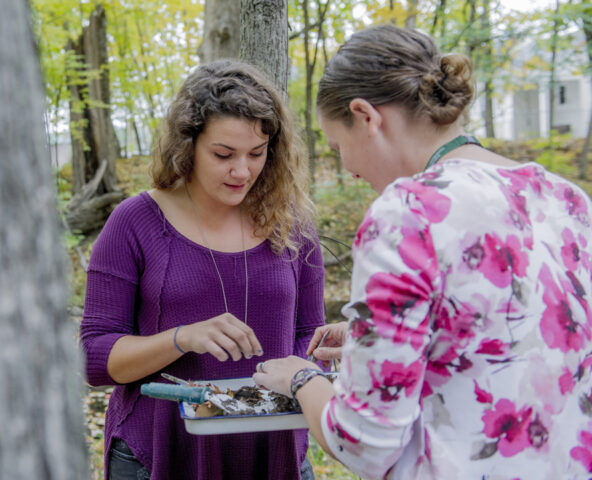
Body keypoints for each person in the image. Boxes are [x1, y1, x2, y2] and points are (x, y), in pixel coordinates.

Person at [254, 24, 592, 479]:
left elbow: (364, 441)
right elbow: (521, 342)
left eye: (338, 147)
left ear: (366, 117)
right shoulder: (567, 200)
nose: (348, 168)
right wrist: (369, 342)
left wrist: (301, 379)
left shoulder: (407, 211)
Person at [80, 59, 325, 480]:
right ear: (187, 146)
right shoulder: (135, 222)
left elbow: (309, 334)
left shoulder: (293, 225)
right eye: (223, 154)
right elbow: (96, 358)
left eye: (257, 154)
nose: (242, 171)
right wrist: (182, 338)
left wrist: (300, 375)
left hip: (275, 451)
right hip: (160, 455)